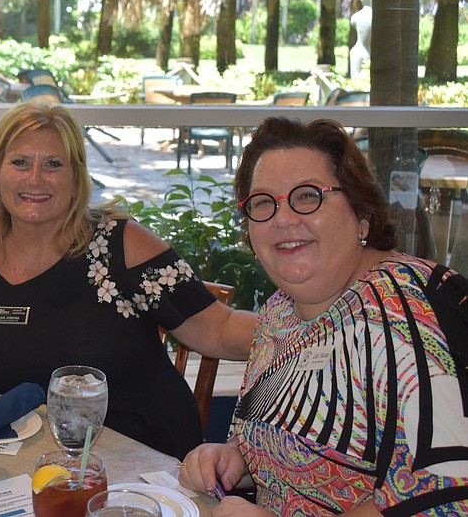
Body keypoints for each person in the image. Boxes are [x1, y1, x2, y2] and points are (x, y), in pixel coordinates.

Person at [0, 102, 256, 459]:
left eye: (53, 164)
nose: (35, 179)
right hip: (14, 465)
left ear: (76, 176)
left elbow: (220, 328)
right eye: (20, 162)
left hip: (142, 460)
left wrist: (309, 329)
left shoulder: (120, 245)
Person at [178, 117, 468, 514]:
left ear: (361, 213)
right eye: (264, 202)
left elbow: (448, 497)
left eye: (308, 195)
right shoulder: (279, 311)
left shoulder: (415, 308)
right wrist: (235, 460)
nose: (282, 218)